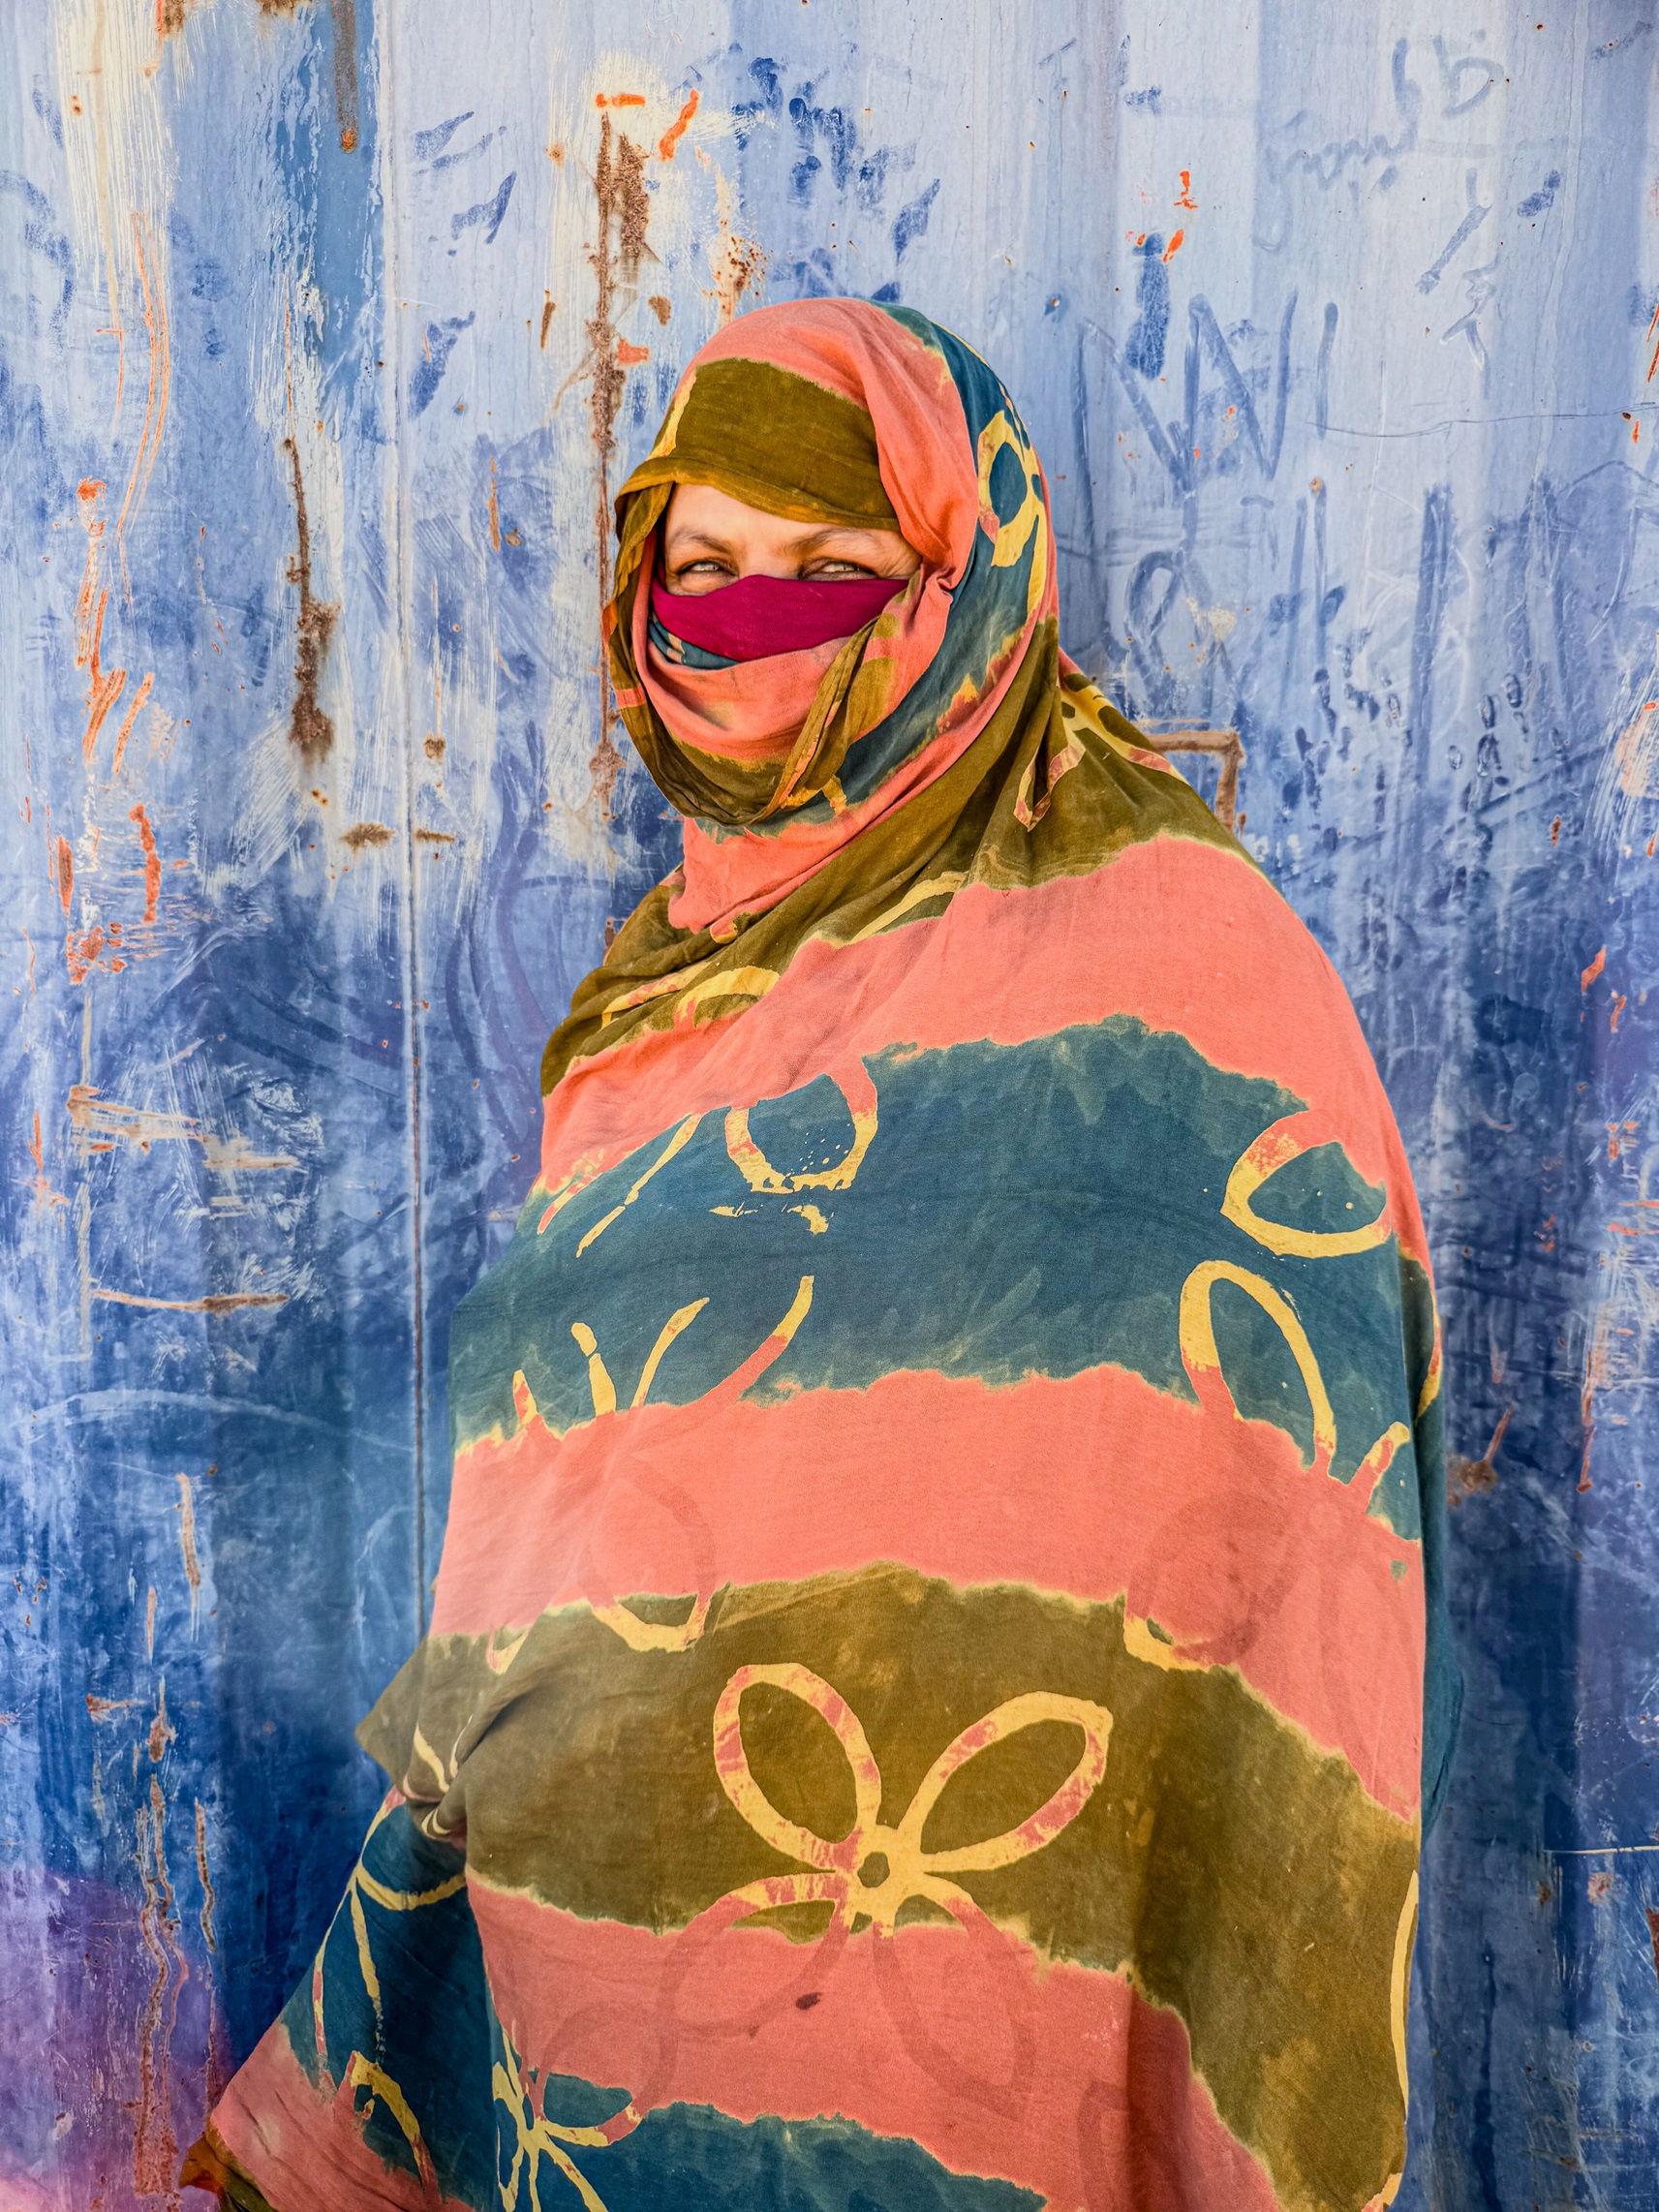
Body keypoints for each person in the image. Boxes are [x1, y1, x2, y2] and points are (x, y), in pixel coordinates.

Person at [185, 297, 1454, 2212]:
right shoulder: (658, 1000)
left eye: (825, 568)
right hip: (614, 1963)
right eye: (703, 569)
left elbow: (1278, 1507)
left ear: (956, 587)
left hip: (1003, 1935)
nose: (750, 621)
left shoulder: (1193, 956)